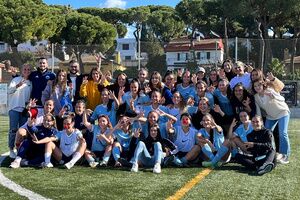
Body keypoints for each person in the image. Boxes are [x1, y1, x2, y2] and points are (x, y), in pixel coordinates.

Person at [253, 79, 290, 164]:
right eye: (255, 86)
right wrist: (259, 120)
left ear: (263, 85)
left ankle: (285, 155)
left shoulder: (269, 90)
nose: (257, 87)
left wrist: (273, 95)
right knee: (265, 133)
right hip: (270, 116)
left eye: (259, 85)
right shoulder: (256, 97)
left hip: (282, 112)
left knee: (282, 133)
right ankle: (267, 152)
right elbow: (258, 111)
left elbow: (282, 98)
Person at [7, 63, 32, 158]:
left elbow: (29, 97)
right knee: (13, 130)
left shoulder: (30, 82)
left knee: (22, 131)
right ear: (21, 70)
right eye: (25, 69)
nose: (26, 71)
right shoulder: (15, 80)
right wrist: (17, 85)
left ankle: (20, 149)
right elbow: (9, 91)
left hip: (24, 111)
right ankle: (11, 149)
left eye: (28, 69)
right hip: (14, 109)